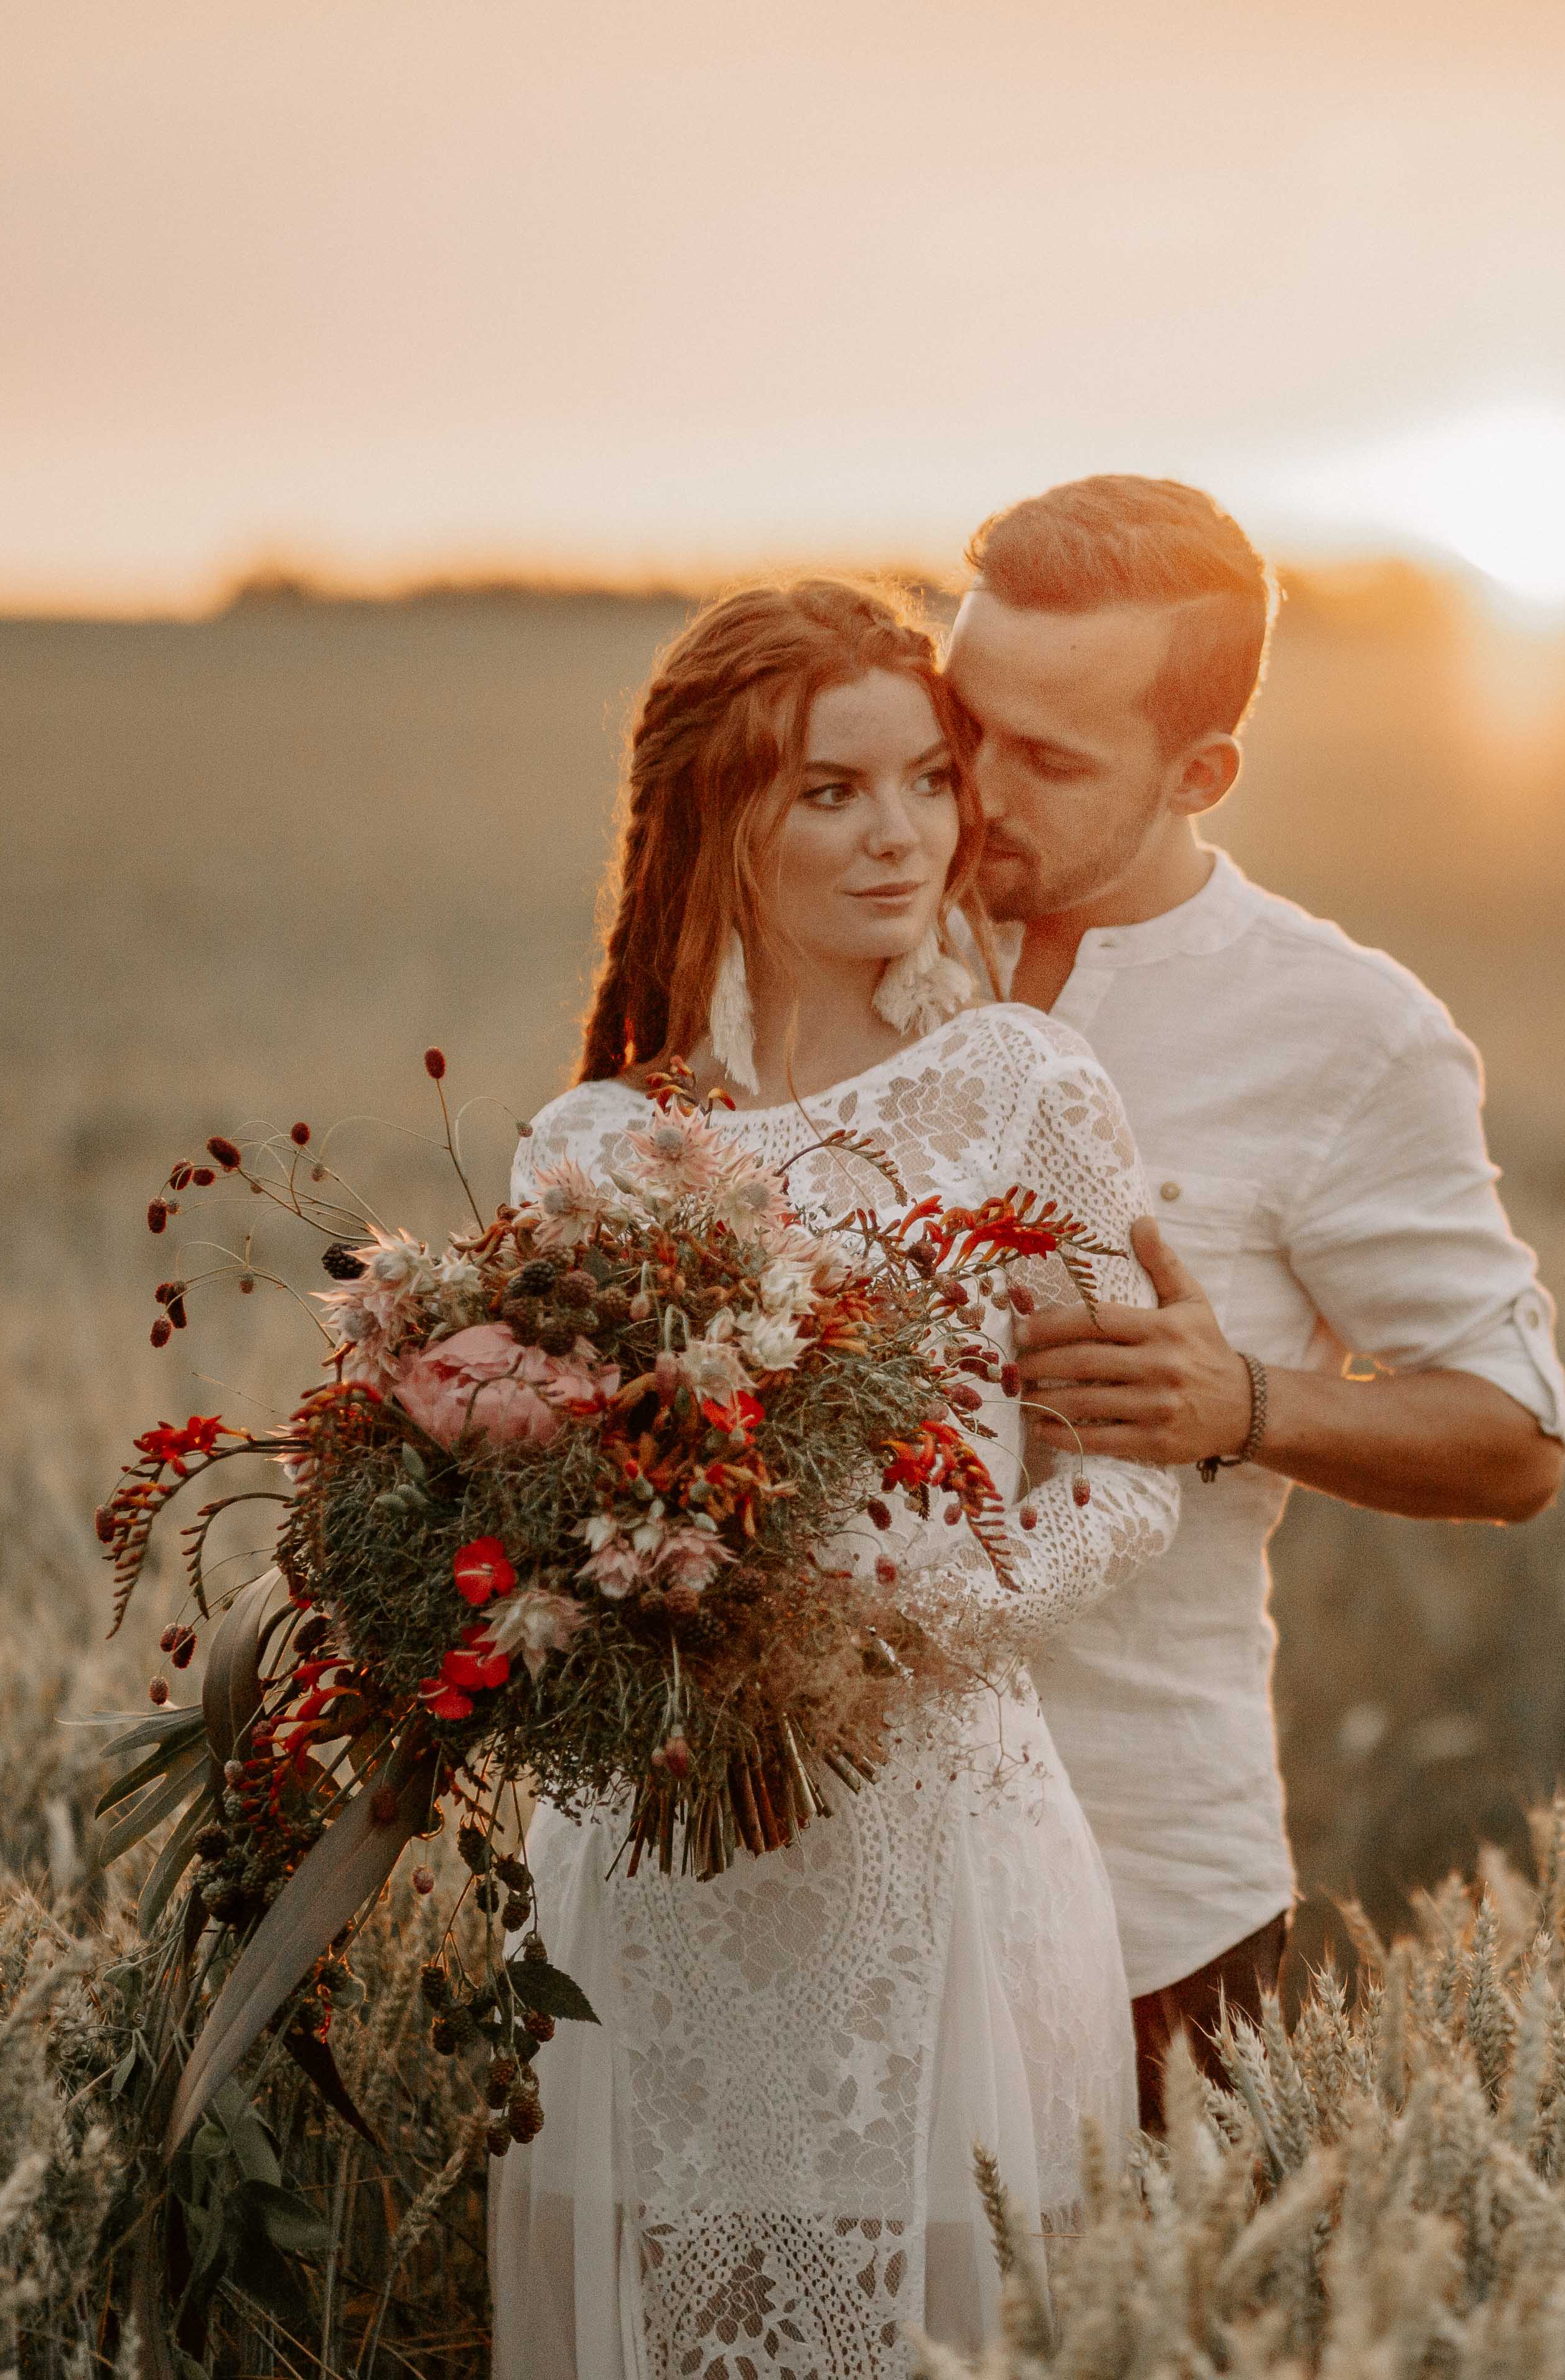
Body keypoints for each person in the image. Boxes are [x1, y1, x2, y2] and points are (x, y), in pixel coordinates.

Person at [488, 580, 1178, 2380]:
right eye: (831, 790)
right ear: (716, 820)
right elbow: (534, 1507)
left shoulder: (1024, 1088)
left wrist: (934, 1610)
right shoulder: (597, 1148)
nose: (903, 835)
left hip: (938, 1836)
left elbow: (1128, 1473)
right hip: (660, 1865)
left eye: (929, 782)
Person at [951, 477, 1565, 2129]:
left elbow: (1516, 1437)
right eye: (968, 726)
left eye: (1054, 760)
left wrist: (1248, 1411)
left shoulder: (1344, 1032)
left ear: (1201, 773)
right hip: (805, 1880)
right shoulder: (842, 942)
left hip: (1143, 1889)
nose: (975, 795)